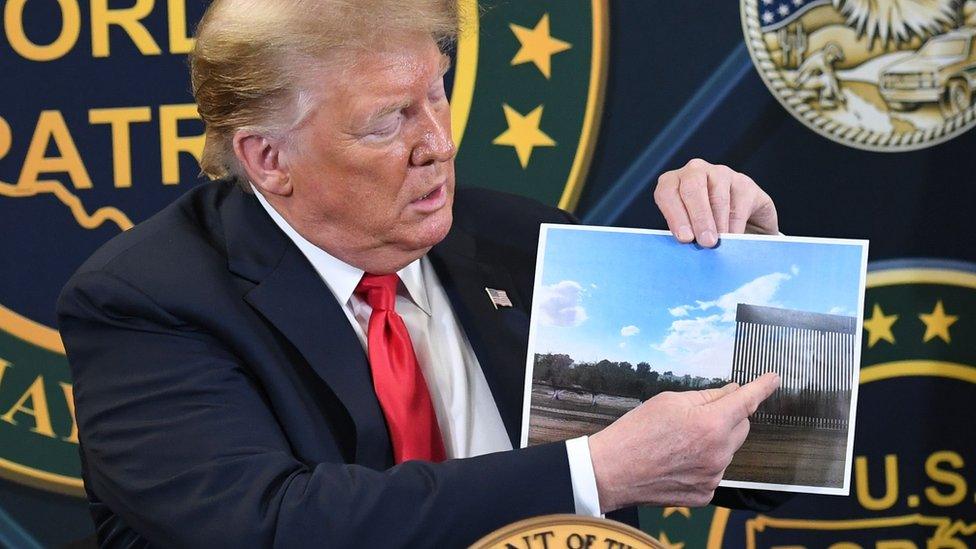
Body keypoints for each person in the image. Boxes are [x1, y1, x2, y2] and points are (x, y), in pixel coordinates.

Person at [56, 1, 783, 546]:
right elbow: (273, 526)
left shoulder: (518, 239)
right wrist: (591, 473)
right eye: (387, 121)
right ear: (267, 159)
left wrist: (751, 272)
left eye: (436, 93)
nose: (436, 142)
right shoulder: (147, 302)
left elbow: (767, 458)